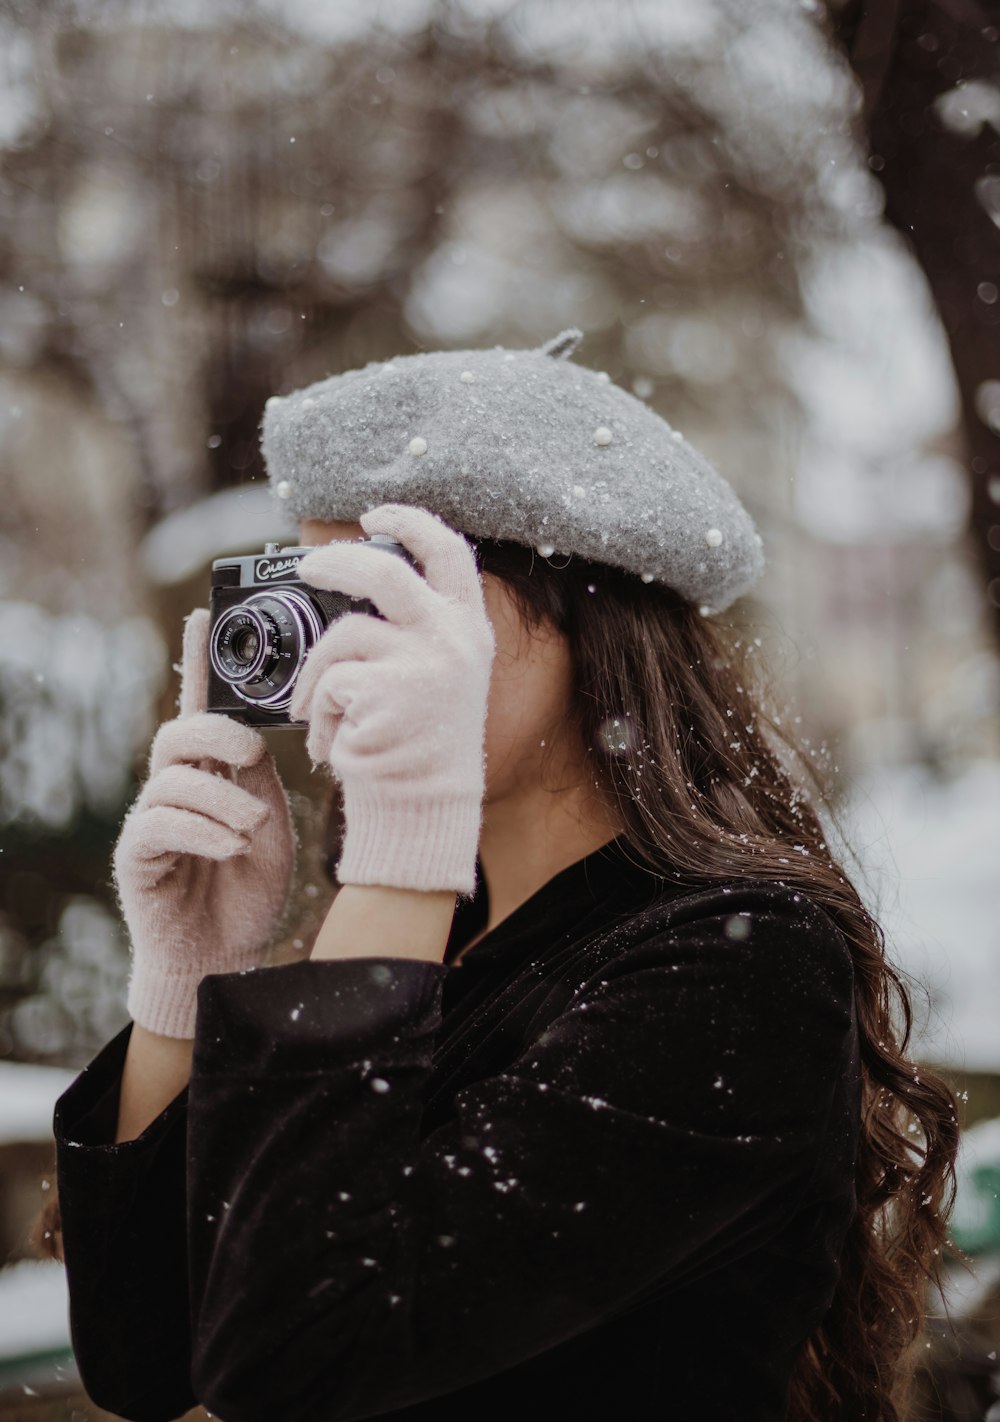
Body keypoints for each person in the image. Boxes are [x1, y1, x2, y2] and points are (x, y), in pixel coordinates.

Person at [42, 330, 958, 1422]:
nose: (341, 659)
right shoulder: (438, 934)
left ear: (583, 612)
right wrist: (186, 986)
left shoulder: (740, 968)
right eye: (322, 602)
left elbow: (296, 1370)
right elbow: (145, 1355)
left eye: (390, 597)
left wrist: (400, 853)